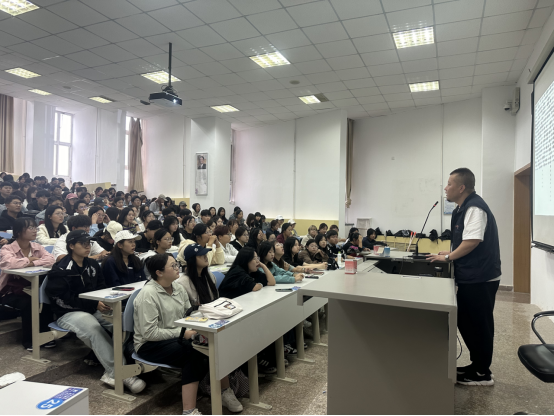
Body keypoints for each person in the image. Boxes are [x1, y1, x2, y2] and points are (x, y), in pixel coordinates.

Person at [134, 254, 243, 415]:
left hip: (177, 337)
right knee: (193, 353)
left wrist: (201, 325)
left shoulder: (177, 288)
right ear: (159, 272)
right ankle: (189, 410)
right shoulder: (148, 294)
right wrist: (182, 333)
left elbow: (188, 315)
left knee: (215, 342)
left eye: (177, 264)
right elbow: (150, 333)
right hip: (150, 344)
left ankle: (224, 391)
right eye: (173, 266)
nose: (178, 268)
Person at [46, 230, 146, 393]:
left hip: (92, 308)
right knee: (94, 329)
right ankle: (118, 372)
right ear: (71, 246)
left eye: (89, 244)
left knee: (122, 323)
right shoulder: (61, 269)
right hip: (68, 313)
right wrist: (93, 304)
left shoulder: (92, 265)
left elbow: (101, 288)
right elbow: (61, 300)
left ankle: (123, 364)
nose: (88, 247)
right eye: (83, 244)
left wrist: (103, 302)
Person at [428, 168, 501, 387]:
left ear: (461, 188)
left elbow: (472, 241)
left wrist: (448, 257)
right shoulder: (461, 208)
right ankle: (477, 365)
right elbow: (464, 240)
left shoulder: (475, 207)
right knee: (466, 321)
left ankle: (482, 373)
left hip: (481, 277)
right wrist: (449, 252)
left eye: (449, 183)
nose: (445, 188)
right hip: (472, 275)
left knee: (479, 324)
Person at [0, 218, 56, 351]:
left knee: (45, 298)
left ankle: (45, 336)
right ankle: (29, 340)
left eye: (35, 228)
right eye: (30, 228)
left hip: (31, 287)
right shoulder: (7, 248)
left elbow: (51, 259)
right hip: (10, 291)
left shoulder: (37, 247)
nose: (34, 230)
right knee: (29, 302)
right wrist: (28, 260)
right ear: (19, 231)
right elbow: (10, 263)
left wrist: (32, 262)